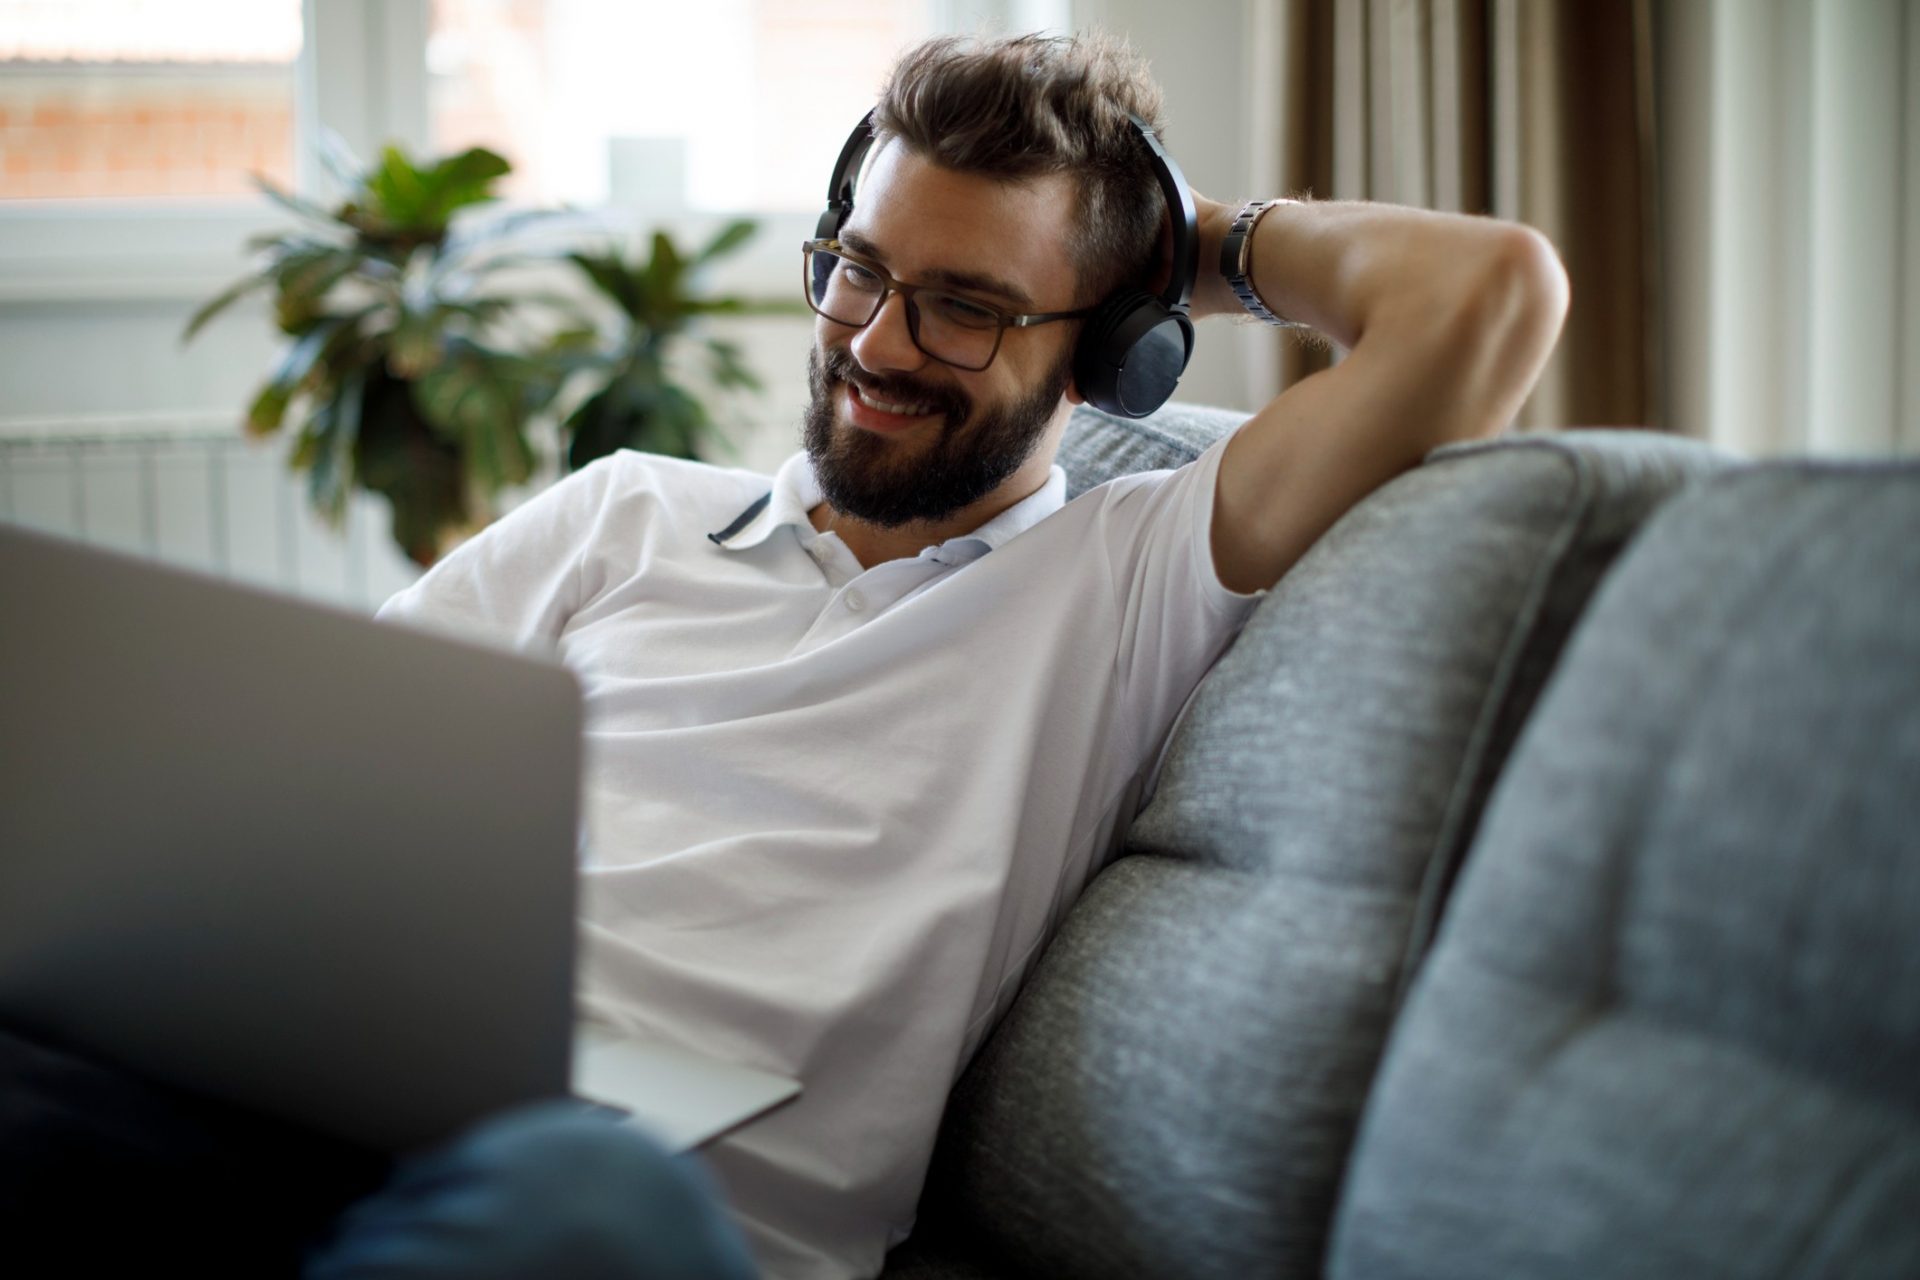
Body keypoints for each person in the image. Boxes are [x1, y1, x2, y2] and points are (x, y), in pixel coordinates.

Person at [0, 30, 1567, 1280]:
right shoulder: (622, 515)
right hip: (336, 1099)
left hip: (638, 1208)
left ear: (1100, 358)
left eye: (966, 307)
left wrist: (1178, 242)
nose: (880, 344)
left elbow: (1487, 292)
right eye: (860, 271)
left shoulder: (1136, 571)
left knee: (581, 1200)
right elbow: (294, 775)